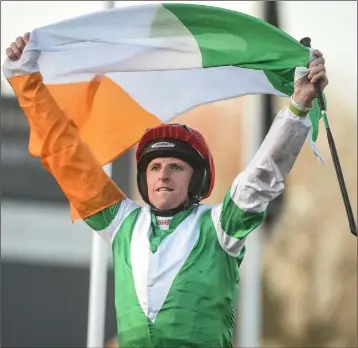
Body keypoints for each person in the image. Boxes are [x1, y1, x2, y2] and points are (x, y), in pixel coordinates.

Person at [4, 33, 328, 348]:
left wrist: (298, 106)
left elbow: (262, 174)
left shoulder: (219, 227)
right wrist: (25, 79)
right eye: (155, 167)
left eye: (176, 167)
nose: (163, 176)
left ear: (197, 180)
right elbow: (66, 153)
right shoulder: (121, 224)